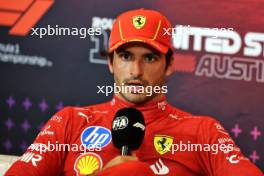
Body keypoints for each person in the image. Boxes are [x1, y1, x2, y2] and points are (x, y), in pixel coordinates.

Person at [5, 9, 263, 176]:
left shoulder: (203, 131)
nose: (136, 71)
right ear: (110, 62)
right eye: (126, 56)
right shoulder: (71, 121)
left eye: (150, 58)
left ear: (170, 64)